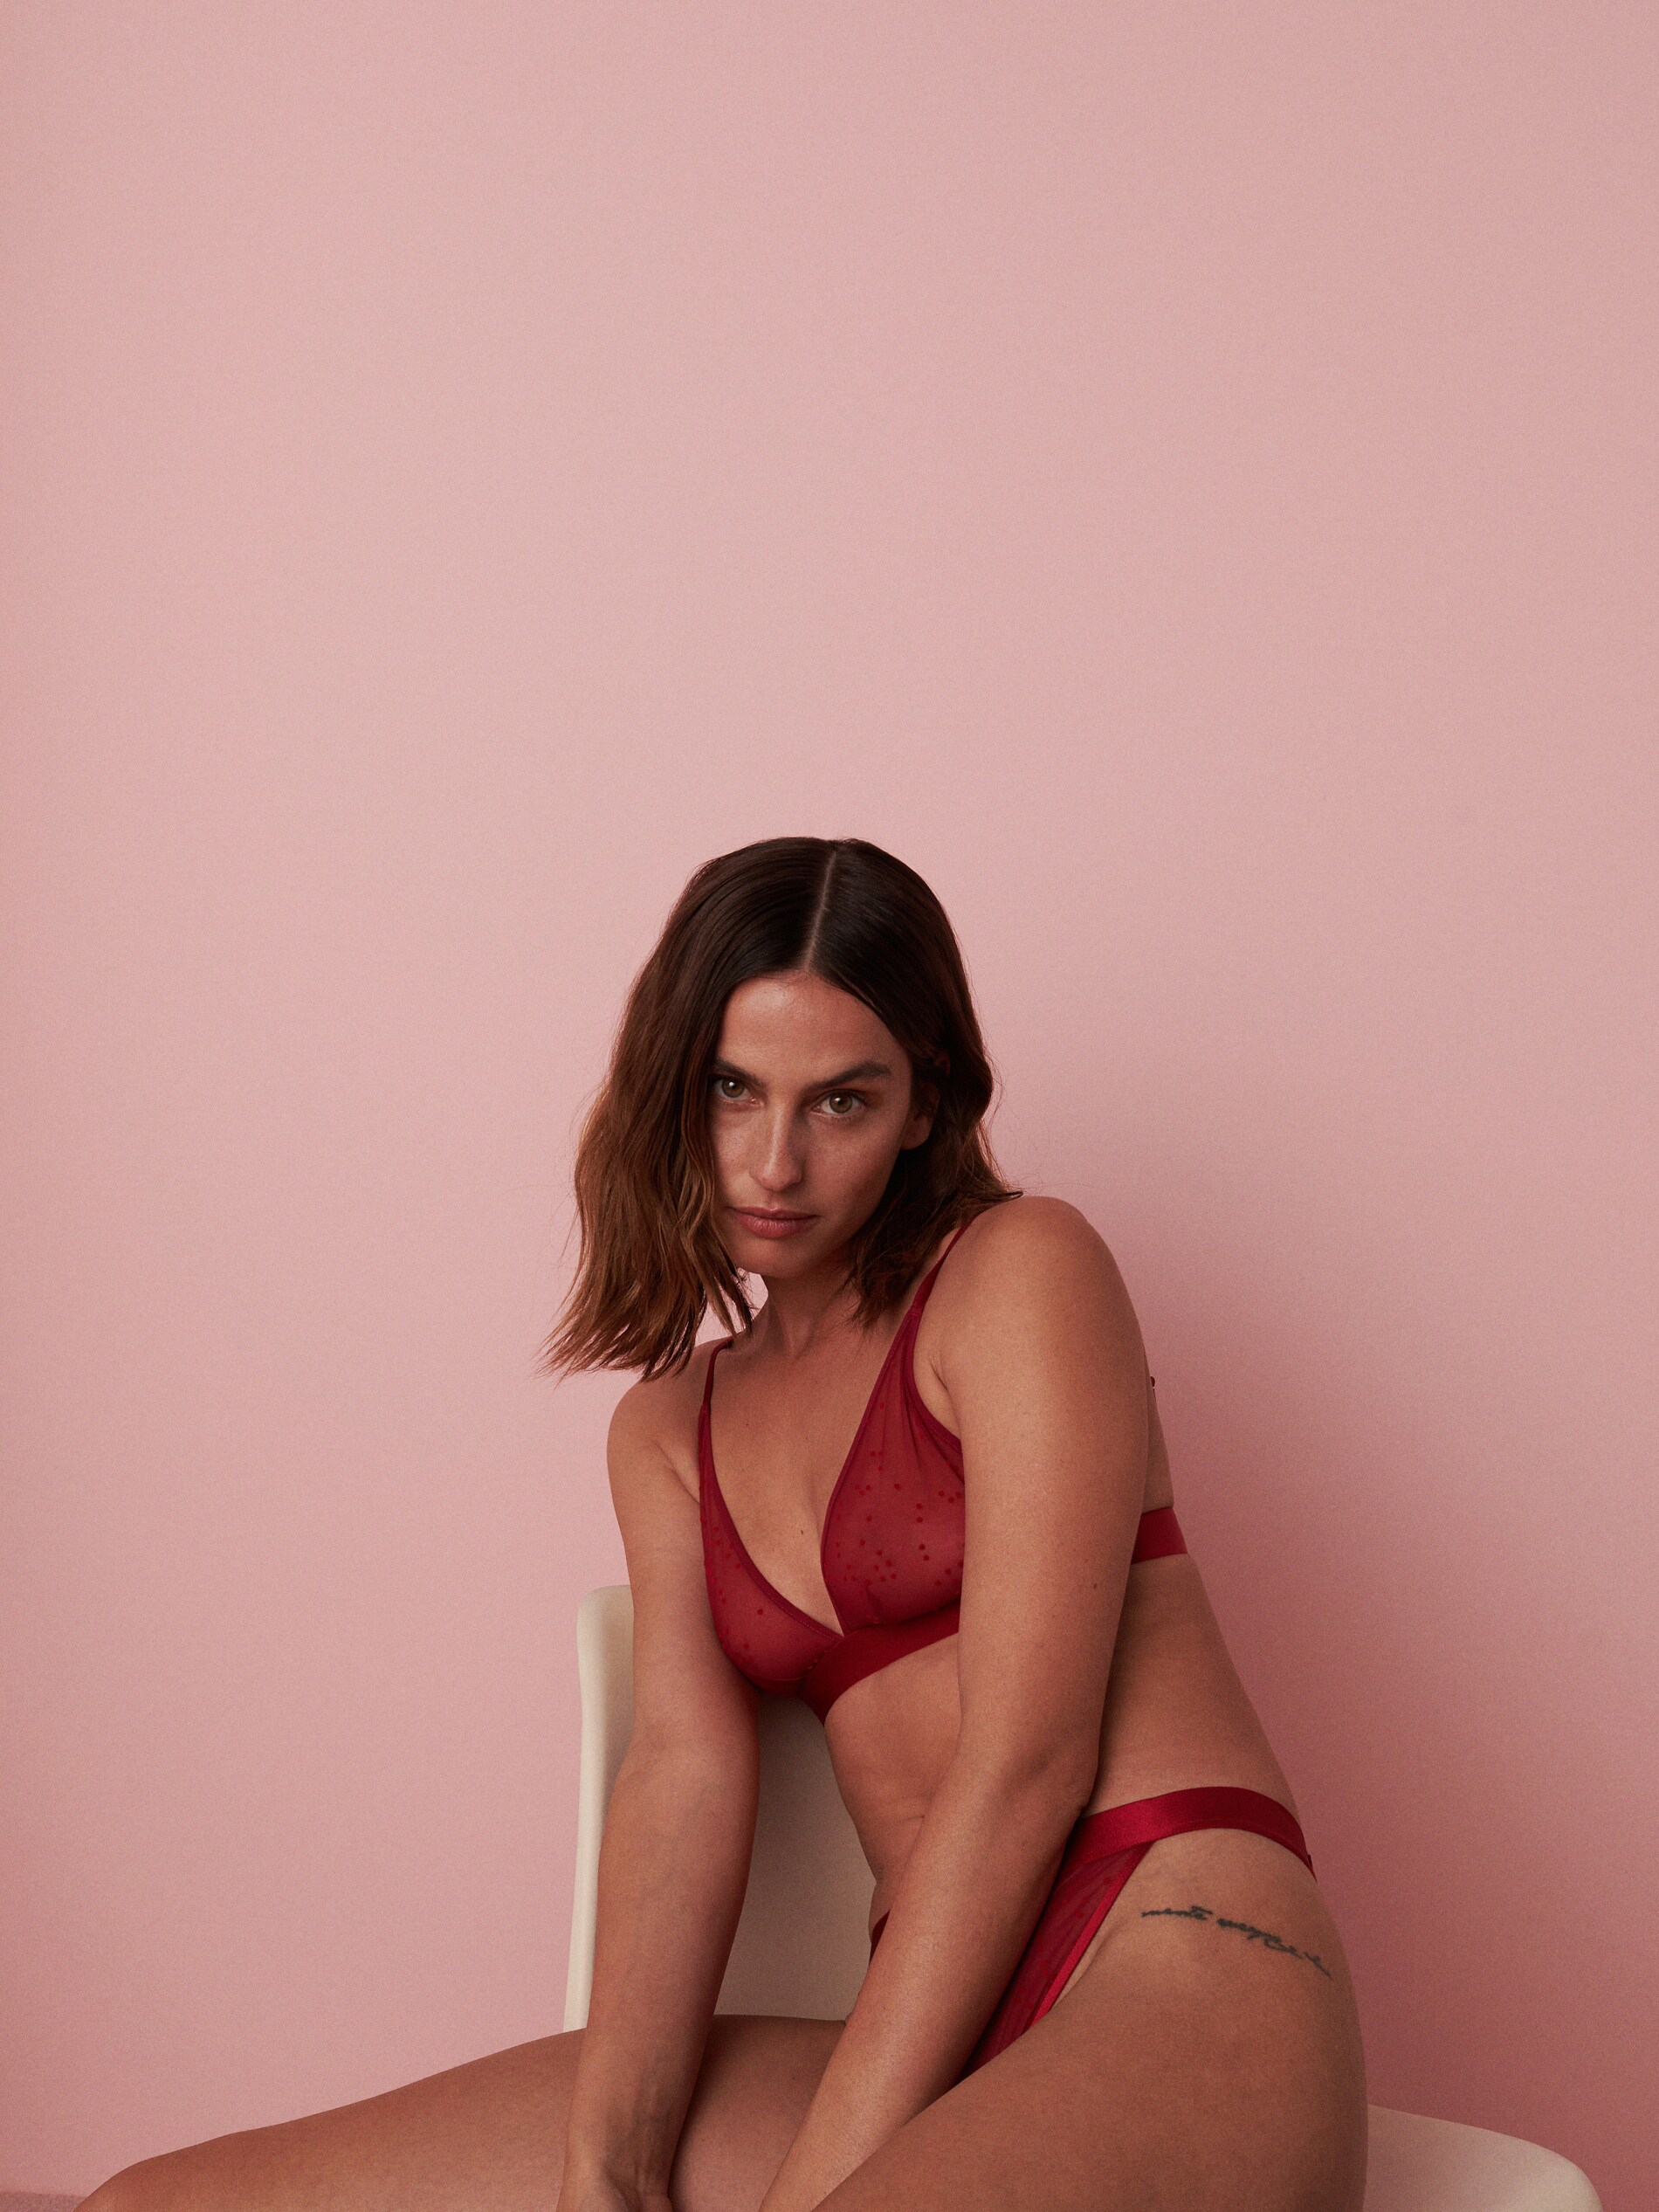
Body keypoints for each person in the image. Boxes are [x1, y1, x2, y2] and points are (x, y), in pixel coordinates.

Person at [83, 835, 1366, 2212]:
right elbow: (685, 1783)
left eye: (843, 1100)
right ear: (674, 1084)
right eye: (733, 1087)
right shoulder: (668, 1434)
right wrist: (606, 2170)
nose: (774, 1160)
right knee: (150, 2206)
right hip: (943, 2026)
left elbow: (1029, 1768)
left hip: (1184, 1949)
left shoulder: (1021, 1273)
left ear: (925, 1103)